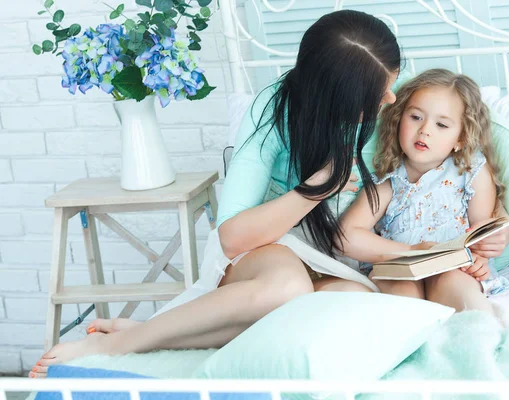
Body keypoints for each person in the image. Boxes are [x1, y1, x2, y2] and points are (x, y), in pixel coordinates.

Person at [29, 9, 403, 378]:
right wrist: (314, 190)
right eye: (377, 93)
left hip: (333, 261)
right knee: (287, 289)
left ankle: (170, 334)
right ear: (334, 95)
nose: (390, 99)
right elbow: (232, 237)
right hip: (264, 251)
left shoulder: (393, 105)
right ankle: (118, 344)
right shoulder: (273, 111)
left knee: (356, 303)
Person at [339, 69, 509, 315]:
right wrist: (409, 252)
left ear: (460, 139)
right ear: (399, 119)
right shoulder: (388, 181)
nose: (425, 130)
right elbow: (345, 235)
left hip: (453, 267)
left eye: (441, 124)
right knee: (401, 297)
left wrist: (483, 256)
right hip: (400, 267)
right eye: (416, 117)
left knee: (457, 287)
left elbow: (482, 230)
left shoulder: (470, 171)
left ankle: (487, 337)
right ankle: (414, 345)